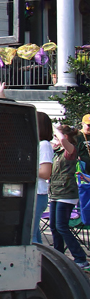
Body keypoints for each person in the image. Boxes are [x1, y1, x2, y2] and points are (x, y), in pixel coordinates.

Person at [48, 123, 90, 269]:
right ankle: (58, 255)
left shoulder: (71, 150)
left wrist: (56, 129)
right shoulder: (57, 152)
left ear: (64, 137)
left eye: (56, 137)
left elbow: (65, 143)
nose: (54, 139)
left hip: (67, 194)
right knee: (54, 226)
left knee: (61, 226)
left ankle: (80, 258)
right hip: (55, 193)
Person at [34, 112, 54, 244]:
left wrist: (26, 169)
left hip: (38, 194)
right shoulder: (38, 144)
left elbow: (46, 173)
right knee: (34, 233)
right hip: (35, 193)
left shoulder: (44, 145)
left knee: (30, 234)